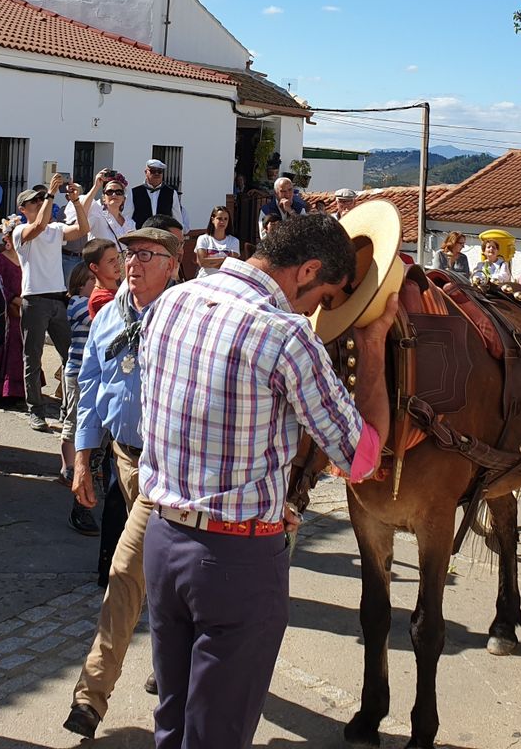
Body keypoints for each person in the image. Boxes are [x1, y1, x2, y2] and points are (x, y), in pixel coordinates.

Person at [135, 213, 393, 747]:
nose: (318, 312)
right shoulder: (285, 333)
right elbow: (362, 457)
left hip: (162, 538)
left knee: (173, 721)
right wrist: (372, 347)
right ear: (308, 270)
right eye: (323, 296)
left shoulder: (170, 303)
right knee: (217, 735)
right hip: (236, 559)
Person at [63, 225, 181, 738]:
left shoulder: (183, 319)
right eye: (129, 254)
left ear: (173, 265)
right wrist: (84, 459)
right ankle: (175, 663)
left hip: (166, 469)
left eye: (147, 255)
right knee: (161, 577)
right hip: (122, 458)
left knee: (125, 573)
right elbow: (89, 389)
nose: (132, 262)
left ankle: (91, 697)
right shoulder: (109, 315)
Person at [13, 178, 88, 432]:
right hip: (34, 299)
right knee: (32, 358)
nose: (39, 201)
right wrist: (52, 194)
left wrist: (76, 200)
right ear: (23, 208)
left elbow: (82, 228)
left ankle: (69, 408)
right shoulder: (19, 232)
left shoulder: (55, 229)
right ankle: (35, 409)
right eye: (34, 200)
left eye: (40, 198)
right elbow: (37, 226)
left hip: (57, 298)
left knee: (70, 356)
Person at [62, 262, 99, 535]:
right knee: (73, 421)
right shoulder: (76, 303)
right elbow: (93, 317)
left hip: (86, 372)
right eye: (91, 281)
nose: (95, 285)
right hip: (76, 371)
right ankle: (69, 466)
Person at [0, 223, 26, 405]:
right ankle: (1, 389)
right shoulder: (0, 260)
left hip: (26, 309)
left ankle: (20, 389)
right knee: (8, 344)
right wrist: (14, 299)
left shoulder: (28, 259)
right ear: (7, 238)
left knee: (24, 346)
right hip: (9, 310)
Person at [83, 172, 135, 246]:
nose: (114, 195)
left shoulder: (130, 223)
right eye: (110, 192)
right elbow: (82, 213)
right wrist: (96, 186)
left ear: (124, 198)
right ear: (103, 198)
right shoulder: (97, 215)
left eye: (119, 192)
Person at [132, 159, 185, 228]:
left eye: (159, 171)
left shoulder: (171, 193)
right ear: (146, 172)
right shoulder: (134, 192)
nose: (156, 174)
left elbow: (177, 217)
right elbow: (127, 218)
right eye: (153, 171)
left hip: (163, 235)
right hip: (141, 235)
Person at [195, 205, 241, 272]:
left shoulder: (234, 241)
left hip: (225, 278)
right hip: (205, 278)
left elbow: (231, 265)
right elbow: (201, 262)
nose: (222, 222)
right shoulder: (203, 239)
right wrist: (224, 259)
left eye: (225, 219)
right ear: (212, 219)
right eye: (219, 218)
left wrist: (209, 262)